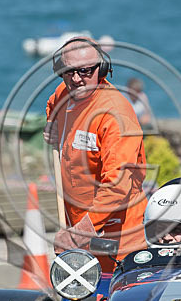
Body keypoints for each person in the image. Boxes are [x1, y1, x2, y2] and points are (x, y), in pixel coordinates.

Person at [44, 37, 147, 271]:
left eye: (85, 71)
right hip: (79, 232)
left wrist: (81, 233)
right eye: (69, 71)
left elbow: (117, 184)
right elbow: (52, 105)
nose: (77, 79)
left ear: (100, 70)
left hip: (117, 241)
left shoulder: (115, 115)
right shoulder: (65, 92)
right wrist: (51, 125)